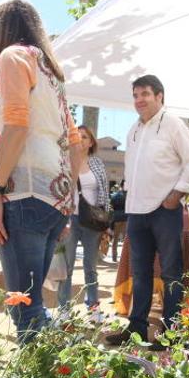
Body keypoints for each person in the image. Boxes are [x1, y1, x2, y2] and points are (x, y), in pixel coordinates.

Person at [0, 0, 82, 343]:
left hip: (23, 193)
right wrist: (66, 202)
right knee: (33, 303)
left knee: (24, 306)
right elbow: (76, 142)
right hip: (54, 198)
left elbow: (15, 128)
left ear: (3, 29)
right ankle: (65, 374)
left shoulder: (13, 57)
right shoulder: (51, 72)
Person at [105, 74, 189, 350]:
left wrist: (176, 195)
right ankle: (136, 330)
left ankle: (171, 333)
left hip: (165, 211)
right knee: (140, 273)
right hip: (136, 212)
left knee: (172, 273)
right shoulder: (134, 129)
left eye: (145, 94)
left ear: (160, 96)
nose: (139, 100)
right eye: (135, 95)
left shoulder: (173, 124)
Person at [57, 125, 110, 319]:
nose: (81, 140)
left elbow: (104, 193)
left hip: (92, 221)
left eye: (85, 137)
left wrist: (106, 224)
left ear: (91, 142)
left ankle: (93, 308)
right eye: (77, 137)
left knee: (91, 267)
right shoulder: (64, 161)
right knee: (67, 266)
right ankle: (64, 310)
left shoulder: (97, 163)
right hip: (70, 219)